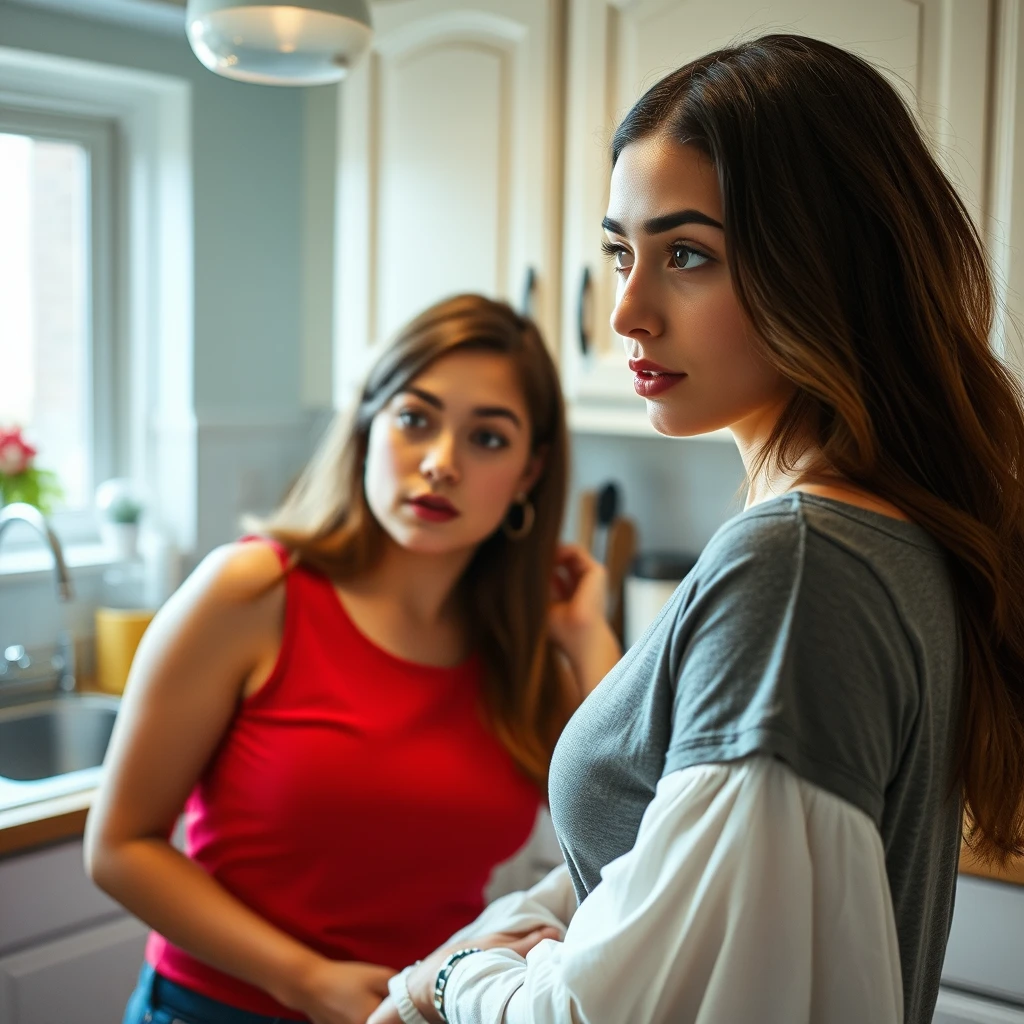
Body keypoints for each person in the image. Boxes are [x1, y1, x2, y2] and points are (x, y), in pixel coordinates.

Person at [374, 34, 1024, 1024]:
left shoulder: (801, 564)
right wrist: (512, 932)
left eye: (687, 255)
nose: (627, 311)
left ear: (826, 270)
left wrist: (446, 983)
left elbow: (630, 1013)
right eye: (619, 254)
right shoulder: (854, 536)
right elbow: (662, 878)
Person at [84, 294, 621, 1024]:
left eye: (487, 439)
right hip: (211, 1011)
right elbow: (118, 846)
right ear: (368, 424)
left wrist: (590, 640)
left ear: (530, 472)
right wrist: (304, 979)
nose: (440, 464)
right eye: (414, 420)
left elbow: (640, 836)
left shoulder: (522, 656)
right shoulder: (253, 592)